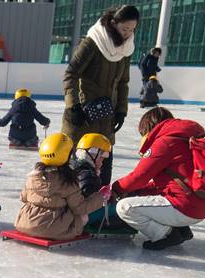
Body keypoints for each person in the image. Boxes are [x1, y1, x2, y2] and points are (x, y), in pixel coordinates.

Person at [112, 107, 205, 250]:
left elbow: (139, 176)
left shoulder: (165, 143)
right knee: (150, 198)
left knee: (125, 207)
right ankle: (181, 229)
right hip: (200, 205)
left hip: (185, 207)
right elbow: (166, 183)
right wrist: (138, 192)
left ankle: (165, 234)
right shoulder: (185, 138)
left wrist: (115, 188)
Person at [62, 4, 138, 185]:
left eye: (132, 29)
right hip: (82, 115)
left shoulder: (126, 49)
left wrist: (121, 110)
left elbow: (123, 82)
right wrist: (73, 106)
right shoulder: (92, 42)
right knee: (73, 170)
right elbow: (70, 74)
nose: (127, 33)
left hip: (106, 117)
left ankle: (98, 210)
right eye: (124, 28)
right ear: (113, 23)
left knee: (103, 171)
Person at [15, 133, 112, 240]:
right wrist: (100, 196)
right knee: (82, 217)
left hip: (24, 223)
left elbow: (23, 198)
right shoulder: (68, 181)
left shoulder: (33, 176)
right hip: (53, 229)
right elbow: (80, 208)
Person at [69, 133, 132, 233]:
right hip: (82, 215)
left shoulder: (74, 166)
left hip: (74, 213)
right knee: (118, 207)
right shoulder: (86, 173)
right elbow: (88, 199)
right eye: (101, 157)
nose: (102, 162)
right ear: (93, 154)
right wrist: (105, 197)